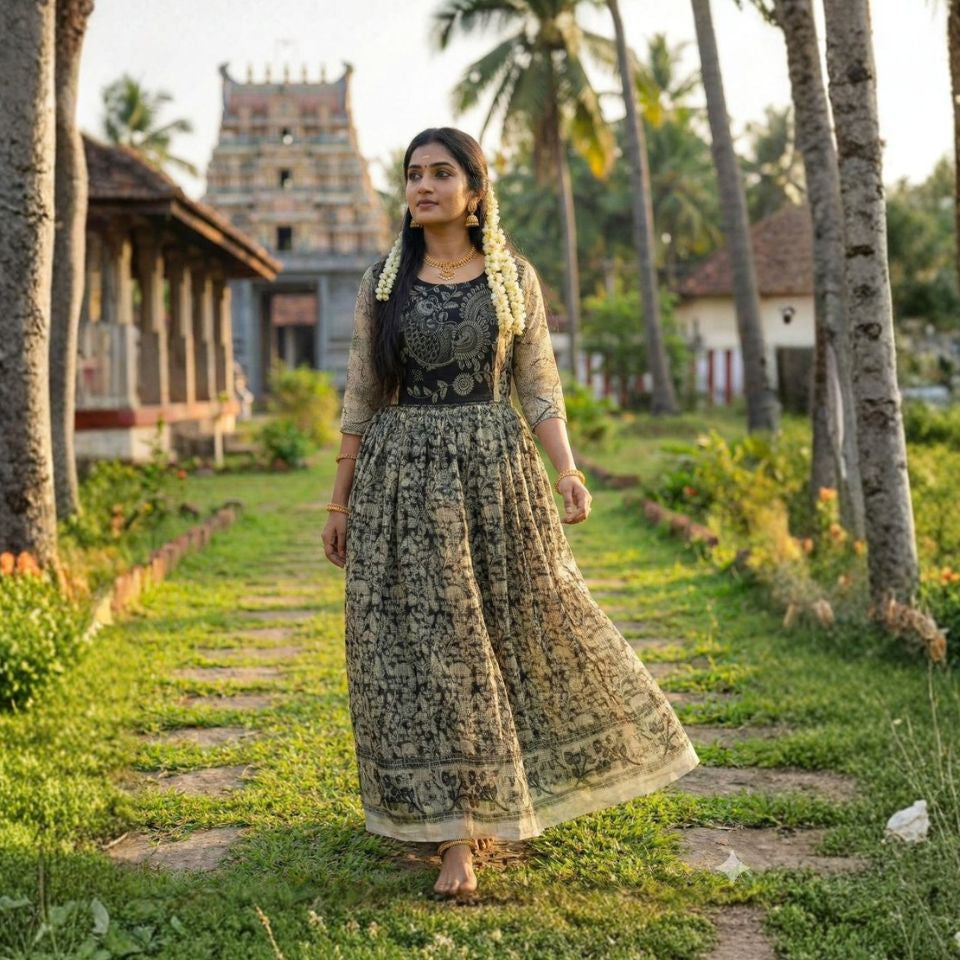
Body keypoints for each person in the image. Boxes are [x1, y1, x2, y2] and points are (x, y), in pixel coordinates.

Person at [321, 127, 699, 901]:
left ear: (474, 189)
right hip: (403, 484)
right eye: (413, 174)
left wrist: (567, 470)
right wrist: (339, 500)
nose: (423, 186)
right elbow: (362, 395)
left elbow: (538, 386)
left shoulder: (511, 278)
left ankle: (500, 799)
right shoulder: (382, 284)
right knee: (434, 646)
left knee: (523, 625)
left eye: (440, 173)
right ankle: (456, 834)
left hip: (497, 475)